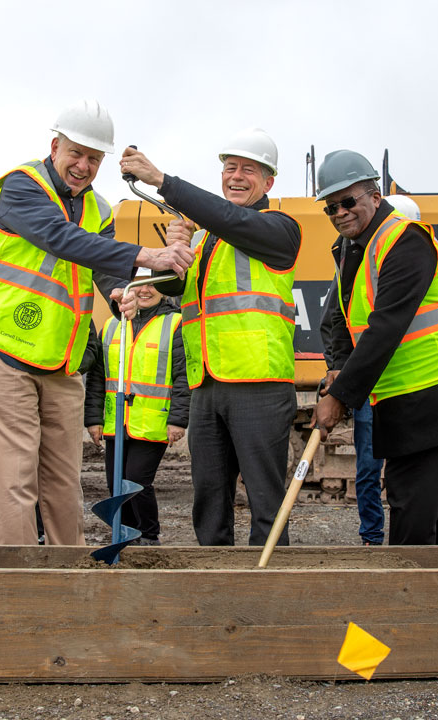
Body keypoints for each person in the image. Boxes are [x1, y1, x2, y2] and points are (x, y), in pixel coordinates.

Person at [0, 100, 193, 546]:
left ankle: (72, 581)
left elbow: (104, 268)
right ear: (54, 146)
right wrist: (146, 254)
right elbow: (61, 239)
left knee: (64, 485)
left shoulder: (98, 210)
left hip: (59, 361)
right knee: (17, 484)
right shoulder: (20, 188)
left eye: (94, 159)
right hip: (0, 351)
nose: (83, 166)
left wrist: (131, 285)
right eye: (76, 154)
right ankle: (20, 591)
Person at [118, 128, 301, 546]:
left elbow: (230, 218)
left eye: (248, 170)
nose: (236, 176)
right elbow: (177, 294)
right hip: (207, 385)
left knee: (265, 502)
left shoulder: (279, 228)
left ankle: (267, 588)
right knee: (210, 499)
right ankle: (212, 584)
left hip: (258, 383)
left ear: (268, 182)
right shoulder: (207, 239)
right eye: (229, 168)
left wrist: (163, 182)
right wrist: (174, 256)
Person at [310, 151, 438, 546]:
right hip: (403, 392)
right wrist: (338, 369)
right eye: (331, 207)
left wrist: (339, 397)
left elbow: (385, 327)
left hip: (430, 391)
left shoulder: (405, 241)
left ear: (373, 194)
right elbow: (341, 315)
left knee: (409, 501)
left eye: (348, 201)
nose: (339, 212)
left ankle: (405, 589)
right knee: (433, 504)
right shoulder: (353, 247)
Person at [83, 268, 189, 546]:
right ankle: (125, 536)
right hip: (115, 422)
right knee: (114, 483)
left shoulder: (175, 324)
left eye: (152, 285)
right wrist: (93, 420)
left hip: (153, 422)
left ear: (163, 288)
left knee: (136, 482)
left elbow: (183, 376)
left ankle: (149, 535)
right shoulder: (111, 325)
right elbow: (96, 377)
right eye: (139, 284)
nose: (144, 290)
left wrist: (179, 420)